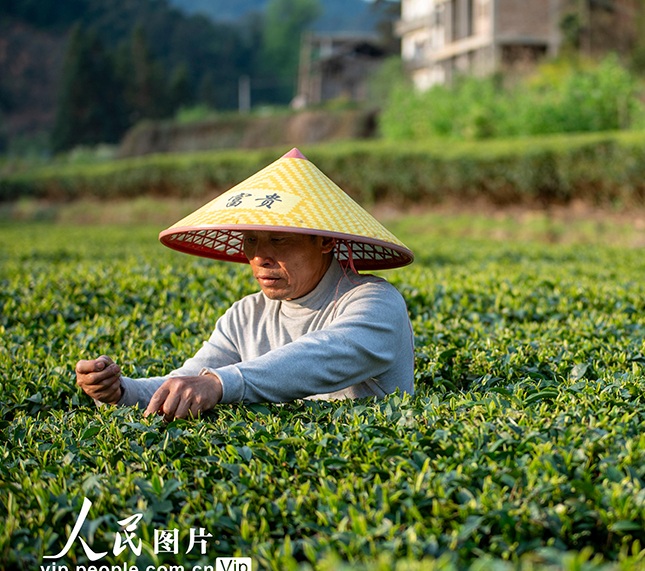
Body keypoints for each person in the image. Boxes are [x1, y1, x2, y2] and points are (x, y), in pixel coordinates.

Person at [76, 148, 415, 420]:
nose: (259, 257)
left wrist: (221, 383)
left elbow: (322, 356)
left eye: (279, 240)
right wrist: (120, 392)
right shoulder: (246, 315)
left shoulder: (376, 302)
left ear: (325, 241)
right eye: (250, 240)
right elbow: (191, 380)